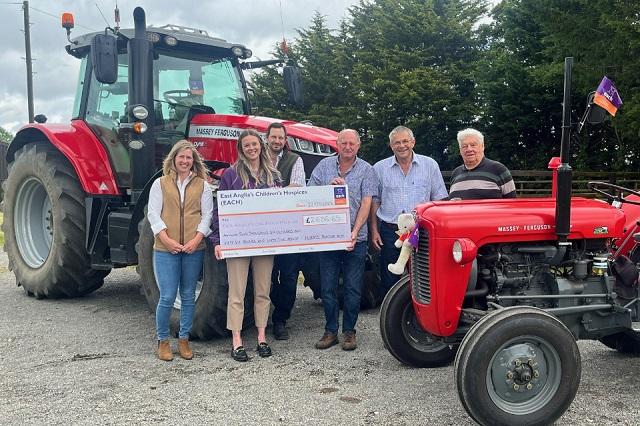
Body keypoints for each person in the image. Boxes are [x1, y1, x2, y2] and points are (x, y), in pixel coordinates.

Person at [210, 129, 282, 362]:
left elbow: (282, 208)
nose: (252, 148)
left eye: (255, 144)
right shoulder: (231, 175)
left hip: (264, 242)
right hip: (238, 241)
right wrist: (218, 240)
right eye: (246, 146)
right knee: (237, 292)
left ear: (261, 146)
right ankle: (237, 341)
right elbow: (220, 209)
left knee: (263, 291)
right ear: (241, 150)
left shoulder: (273, 174)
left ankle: (261, 337)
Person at [308, 129, 377, 351]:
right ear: (337, 144)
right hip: (328, 237)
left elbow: (367, 203)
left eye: (352, 143)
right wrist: (327, 189)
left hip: (355, 238)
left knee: (353, 288)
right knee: (327, 287)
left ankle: (349, 332)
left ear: (358, 146)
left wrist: (355, 231)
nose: (348, 147)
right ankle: (330, 331)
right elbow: (309, 194)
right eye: (344, 143)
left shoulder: (367, 169)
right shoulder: (323, 167)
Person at [147, 140, 213, 361]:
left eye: (189, 158)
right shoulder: (160, 184)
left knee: (187, 296)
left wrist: (197, 240)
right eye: (181, 157)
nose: (185, 161)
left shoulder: (203, 185)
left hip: (193, 248)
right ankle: (163, 340)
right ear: (174, 159)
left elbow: (207, 215)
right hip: (166, 249)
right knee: (166, 296)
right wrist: (166, 240)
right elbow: (153, 215)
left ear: (193, 161)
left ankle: (184, 339)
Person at [370, 126, 448, 299]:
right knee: (390, 273)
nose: (402, 145)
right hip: (390, 230)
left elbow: (440, 199)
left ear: (413, 142)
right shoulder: (380, 168)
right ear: (391, 146)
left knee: (423, 273)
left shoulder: (429, 165)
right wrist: (374, 230)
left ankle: (420, 309)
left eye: (405, 141)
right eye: (397, 142)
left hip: (422, 230)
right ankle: (390, 312)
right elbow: (375, 201)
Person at [265, 122, 306, 340]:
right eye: (274, 137)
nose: (277, 141)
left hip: (289, 228)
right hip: (262, 230)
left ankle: (281, 319)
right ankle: (267, 315)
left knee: (289, 276)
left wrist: (269, 194)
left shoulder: (295, 160)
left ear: (285, 140)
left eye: (281, 138)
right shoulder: (256, 158)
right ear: (267, 138)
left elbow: (298, 187)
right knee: (266, 277)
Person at [449, 128, 516, 199]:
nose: (469, 149)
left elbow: (512, 204)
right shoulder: (455, 174)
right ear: (460, 150)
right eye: (464, 146)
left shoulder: (498, 169)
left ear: (482, 146)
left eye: (473, 145)